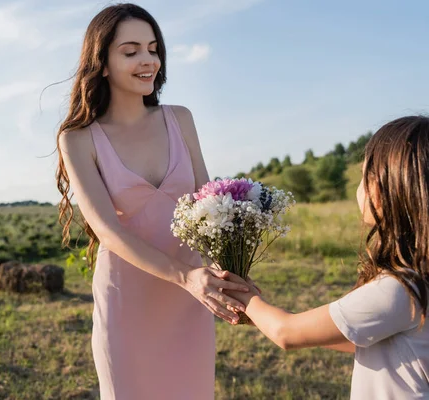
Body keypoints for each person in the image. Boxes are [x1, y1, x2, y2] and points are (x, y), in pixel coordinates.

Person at [54, 3, 249, 399]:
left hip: (189, 302)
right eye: (131, 52)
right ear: (102, 63)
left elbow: (208, 208)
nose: (148, 61)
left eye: (153, 49)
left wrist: (228, 271)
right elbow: (107, 230)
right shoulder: (77, 139)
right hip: (128, 302)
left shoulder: (180, 118)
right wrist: (186, 276)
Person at [227, 116, 429, 399]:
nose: (359, 187)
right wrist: (260, 316)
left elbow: (288, 333)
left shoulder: (400, 290)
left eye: (363, 175)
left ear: (386, 192)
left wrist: (246, 297)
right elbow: (352, 336)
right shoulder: (417, 279)